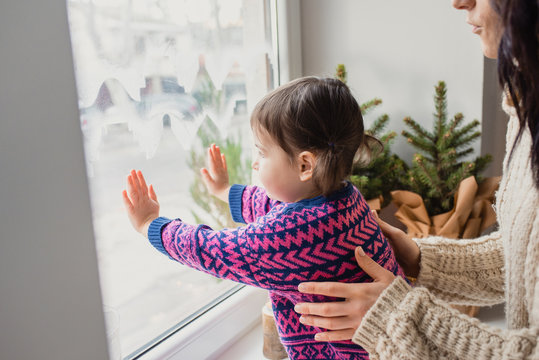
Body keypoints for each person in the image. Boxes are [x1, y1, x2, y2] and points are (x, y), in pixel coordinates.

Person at [294, 0, 539, 359]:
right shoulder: (528, 110)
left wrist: (397, 317)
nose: (459, 2)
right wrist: (420, 258)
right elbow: (524, 258)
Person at [122, 76, 407, 360]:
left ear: (305, 164)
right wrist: (224, 191)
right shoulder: (344, 198)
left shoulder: (290, 238)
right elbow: (271, 205)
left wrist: (150, 225)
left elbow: (210, 249)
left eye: (261, 152)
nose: (255, 162)